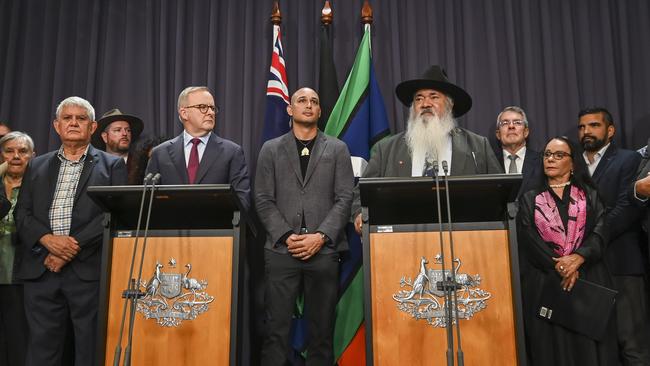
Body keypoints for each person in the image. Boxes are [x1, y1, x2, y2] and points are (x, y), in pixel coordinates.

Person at [14, 96, 127, 366]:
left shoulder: (112, 166)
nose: (73, 123)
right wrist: (47, 240)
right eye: (67, 118)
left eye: (81, 118)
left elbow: (114, 215)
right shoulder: (37, 165)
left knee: (89, 350)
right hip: (41, 268)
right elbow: (23, 214)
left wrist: (68, 249)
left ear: (93, 127)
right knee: (42, 350)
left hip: (87, 271)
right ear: (56, 126)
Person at [255, 87, 354, 365]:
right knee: (276, 330)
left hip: (323, 252)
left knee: (322, 332)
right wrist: (287, 236)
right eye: (302, 101)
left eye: (314, 101)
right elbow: (262, 199)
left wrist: (320, 236)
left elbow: (345, 198)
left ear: (320, 111)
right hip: (280, 251)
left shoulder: (337, 149)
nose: (308, 105)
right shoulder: (271, 149)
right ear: (290, 109)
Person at [354, 65, 501, 232]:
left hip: (463, 238)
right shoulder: (386, 149)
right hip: (401, 241)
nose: (425, 104)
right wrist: (359, 214)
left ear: (449, 105)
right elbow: (362, 192)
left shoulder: (477, 146)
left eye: (434, 97)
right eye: (419, 98)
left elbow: (500, 193)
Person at [516, 136, 617, 365]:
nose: (550, 159)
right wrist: (560, 265)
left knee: (589, 347)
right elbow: (528, 237)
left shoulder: (589, 194)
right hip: (547, 279)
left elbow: (601, 230)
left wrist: (579, 257)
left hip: (588, 276)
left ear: (573, 163)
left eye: (558, 155)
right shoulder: (530, 198)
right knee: (550, 348)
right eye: (547, 154)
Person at [578, 107, 650, 364]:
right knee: (597, 348)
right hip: (586, 269)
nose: (587, 131)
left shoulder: (629, 159)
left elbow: (628, 208)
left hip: (621, 264)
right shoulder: (572, 163)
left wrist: (587, 241)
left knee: (633, 345)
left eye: (594, 125)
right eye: (582, 127)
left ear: (610, 131)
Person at [146, 86, 250, 210]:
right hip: (171, 226)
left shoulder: (232, 152)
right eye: (203, 107)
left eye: (212, 108)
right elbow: (148, 201)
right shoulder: (160, 153)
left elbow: (242, 201)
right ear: (184, 113)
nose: (210, 112)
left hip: (215, 227)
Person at [0, 132, 34, 366]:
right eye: (9, 151)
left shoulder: (38, 187)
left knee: (19, 340)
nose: (15, 156)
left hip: (22, 274)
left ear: (33, 156)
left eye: (22, 152)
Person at [494, 106, 542, 194]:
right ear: (498, 134)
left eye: (517, 122)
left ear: (526, 132)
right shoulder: (489, 163)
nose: (511, 126)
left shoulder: (542, 161)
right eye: (505, 123)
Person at [91, 108, 144, 184]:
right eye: (118, 130)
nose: (125, 134)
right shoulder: (93, 165)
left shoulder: (141, 165)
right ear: (105, 137)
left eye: (128, 130)